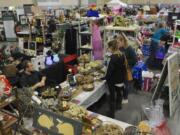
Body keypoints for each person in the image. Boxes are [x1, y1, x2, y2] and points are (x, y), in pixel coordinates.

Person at [104, 40, 126, 118]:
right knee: (119, 92)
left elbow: (110, 70)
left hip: (113, 80)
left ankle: (111, 113)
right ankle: (118, 105)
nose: (108, 49)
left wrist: (105, 78)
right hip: (121, 78)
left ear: (111, 48)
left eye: (108, 48)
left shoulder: (113, 57)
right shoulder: (121, 54)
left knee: (112, 96)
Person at [117, 33, 137, 104]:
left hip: (127, 69)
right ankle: (121, 95)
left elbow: (135, 60)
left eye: (119, 42)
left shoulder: (129, 48)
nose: (117, 44)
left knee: (126, 83)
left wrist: (125, 62)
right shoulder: (120, 47)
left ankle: (125, 98)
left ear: (123, 41)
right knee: (121, 83)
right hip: (121, 69)